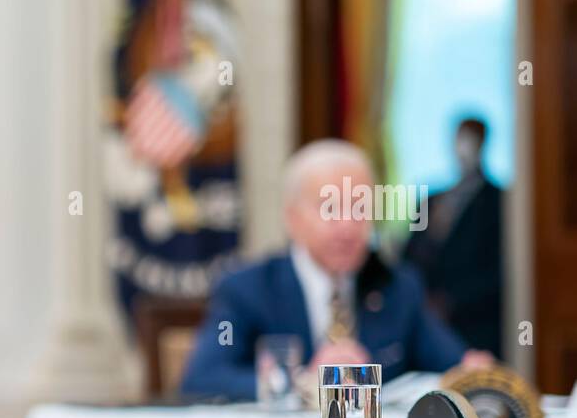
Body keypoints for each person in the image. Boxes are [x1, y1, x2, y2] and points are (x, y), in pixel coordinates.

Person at [180, 139, 491, 400]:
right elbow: (202, 379)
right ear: (292, 218)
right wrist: (301, 383)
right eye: (331, 209)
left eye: (359, 208)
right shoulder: (248, 288)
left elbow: (451, 364)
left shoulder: (396, 285)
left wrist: (472, 371)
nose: (347, 227)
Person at [403, 117, 504, 357]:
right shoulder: (432, 199)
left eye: (471, 139)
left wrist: (451, 301)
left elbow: (499, 269)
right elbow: (408, 256)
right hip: (425, 319)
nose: (464, 147)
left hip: (473, 324)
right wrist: (418, 299)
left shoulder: (498, 201)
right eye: (460, 138)